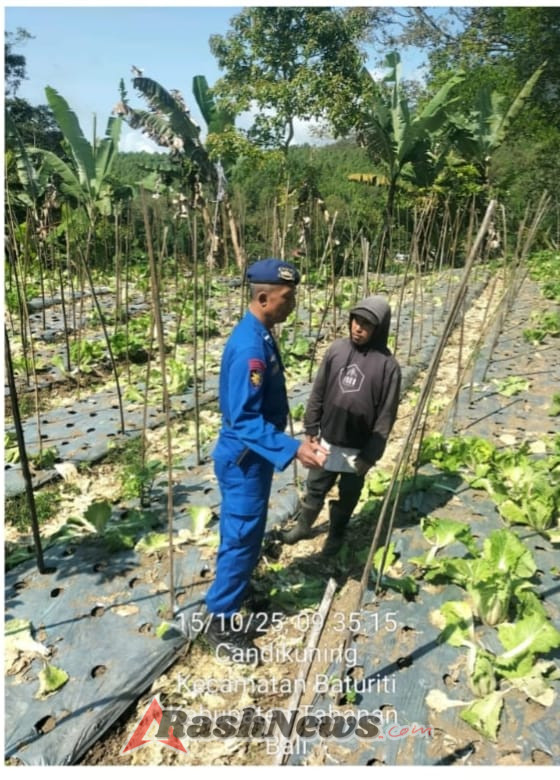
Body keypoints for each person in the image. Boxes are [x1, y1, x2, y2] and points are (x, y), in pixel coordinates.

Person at [204, 258, 328, 664]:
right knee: (240, 537)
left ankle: (238, 593)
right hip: (244, 458)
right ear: (263, 297)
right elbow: (242, 419)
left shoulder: (262, 333)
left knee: (250, 532)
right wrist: (292, 448)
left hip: (253, 456)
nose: (291, 305)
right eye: (286, 298)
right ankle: (219, 621)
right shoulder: (249, 348)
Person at [281, 295, 401, 556]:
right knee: (315, 486)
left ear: (379, 329)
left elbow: (386, 416)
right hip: (327, 439)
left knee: (348, 494)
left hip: (357, 448)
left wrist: (370, 455)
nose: (358, 328)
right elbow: (318, 392)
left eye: (367, 325)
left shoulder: (388, 367)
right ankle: (303, 526)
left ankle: (336, 534)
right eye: (356, 321)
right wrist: (310, 430)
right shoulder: (337, 350)